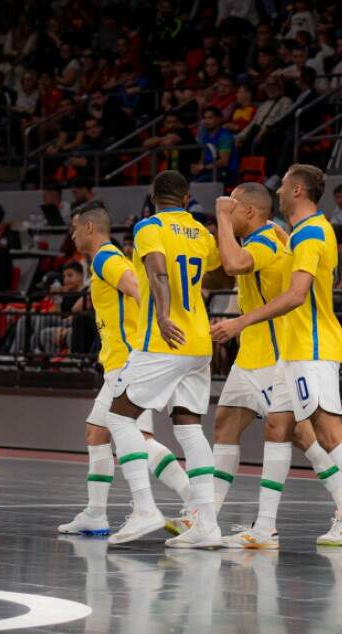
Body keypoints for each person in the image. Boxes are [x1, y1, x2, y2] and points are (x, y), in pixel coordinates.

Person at [211, 163, 342, 551]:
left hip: (312, 347)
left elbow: (297, 295)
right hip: (298, 349)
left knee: (330, 434)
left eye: (283, 185)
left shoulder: (312, 233)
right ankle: (265, 527)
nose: (278, 191)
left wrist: (239, 322)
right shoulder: (305, 232)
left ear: (297, 190)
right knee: (279, 428)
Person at [57, 201, 195, 536]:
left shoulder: (107, 258)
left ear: (89, 227)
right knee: (96, 432)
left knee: (140, 439)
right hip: (119, 362)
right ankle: (95, 513)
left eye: (75, 227)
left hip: (128, 362)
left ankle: (195, 503)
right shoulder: (103, 260)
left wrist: (155, 325)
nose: (72, 234)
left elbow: (137, 289)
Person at [105, 171, 224, 549]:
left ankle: (144, 508)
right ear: (187, 197)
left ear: (153, 197)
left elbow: (157, 270)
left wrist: (163, 313)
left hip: (163, 340)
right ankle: (207, 523)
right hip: (199, 342)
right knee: (189, 429)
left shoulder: (148, 226)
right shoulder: (201, 233)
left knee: (118, 416)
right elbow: (220, 275)